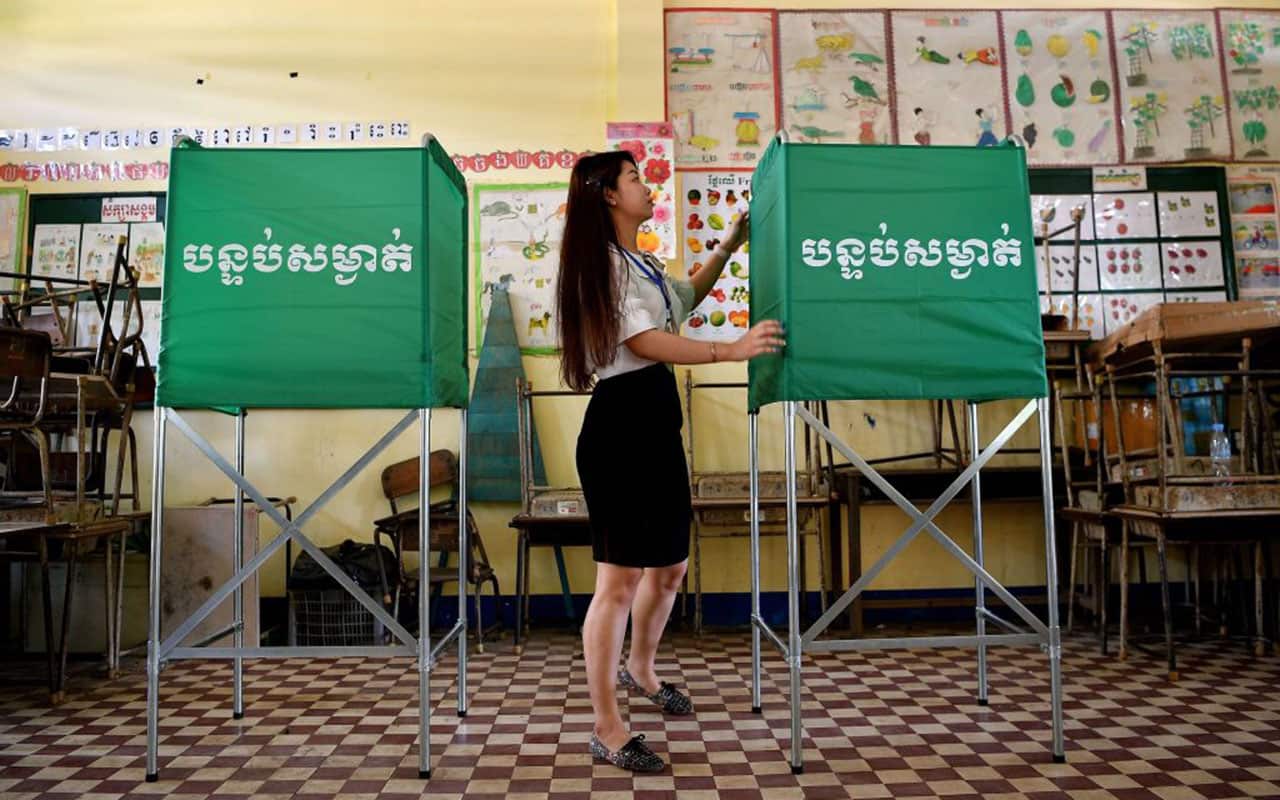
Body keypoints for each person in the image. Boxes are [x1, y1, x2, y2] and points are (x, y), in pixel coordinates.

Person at [555, 150, 784, 773]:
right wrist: (730, 350)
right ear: (606, 193)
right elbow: (642, 341)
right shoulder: (598, 265)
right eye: (634, 178)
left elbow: (682, 298)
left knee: (671, 566)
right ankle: (606, 727)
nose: (646, 184)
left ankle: (642, 669)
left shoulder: (640, 262)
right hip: (620, 429)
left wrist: (732, 243)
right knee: (619, 582)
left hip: (656, 426)